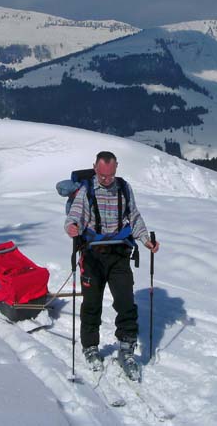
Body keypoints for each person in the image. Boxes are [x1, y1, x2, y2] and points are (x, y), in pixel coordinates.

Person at [65, 151, 160, 380]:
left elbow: (134, 217)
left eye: (111, 175)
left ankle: (126, 349)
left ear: (116, 169)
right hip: (93, 255)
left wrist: (146, 240)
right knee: (92, 303)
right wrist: (72, 227)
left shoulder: (124, 188)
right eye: (102, 175)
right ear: (95, 169)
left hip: (119, 254)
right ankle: (90, 346)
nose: (107, 179)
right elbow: (75, 215)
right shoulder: (87, 190)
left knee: (126, 302)